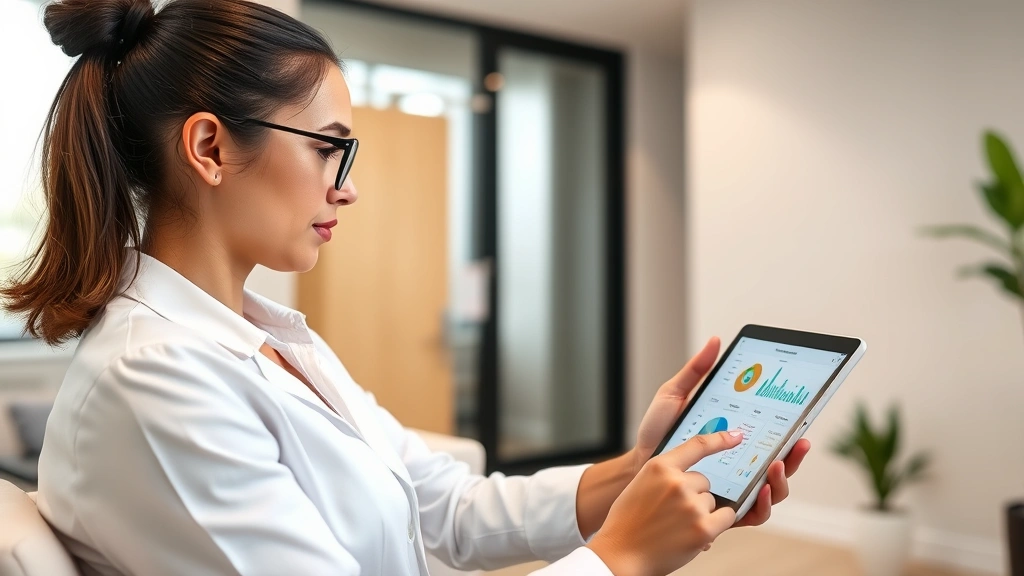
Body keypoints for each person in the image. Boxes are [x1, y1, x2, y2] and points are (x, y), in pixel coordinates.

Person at [0, 0, 811, 574]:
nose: (346, 187)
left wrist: (636, 470)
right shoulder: (156, 377)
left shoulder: (270, 340)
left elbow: (444, 507)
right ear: (209, 147)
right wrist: (620, 558)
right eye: (330, 148)